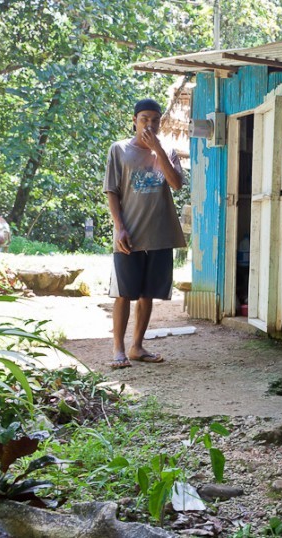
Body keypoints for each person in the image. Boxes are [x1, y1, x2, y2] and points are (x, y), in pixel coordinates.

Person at [104, 98, 186, 369]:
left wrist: (158, 150)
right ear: (134, 121)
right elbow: (112, 192)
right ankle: (118, 349)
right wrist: (119, 227)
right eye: (144, 119)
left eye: (155, 120)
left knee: (148, 293)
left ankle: (137, 346)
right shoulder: (119, 150)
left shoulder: (168, 151)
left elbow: (175, 184)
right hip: (130, 235)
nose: (149, 124)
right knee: (123, 292)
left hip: (160, 234)